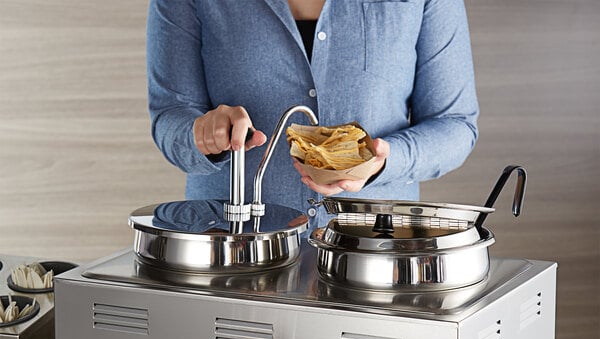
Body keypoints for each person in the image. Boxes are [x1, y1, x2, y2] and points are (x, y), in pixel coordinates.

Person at [146, 0, 479, 230]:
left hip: (373, 254)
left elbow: (455, 124)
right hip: (234, 252)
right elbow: (170, 115)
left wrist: (386, 160)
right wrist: (204, 134)